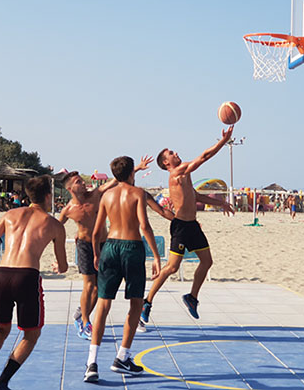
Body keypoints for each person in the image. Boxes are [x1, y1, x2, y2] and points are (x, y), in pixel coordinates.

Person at [0, 175, 68, 390]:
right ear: (48, 196)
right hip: (27, 276)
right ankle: (2, 382)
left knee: (0, 328)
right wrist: (59, 267)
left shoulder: (11, 214)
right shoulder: (54, 224)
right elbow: (63, 265)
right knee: (31, 334)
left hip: (3, 274)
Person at [59, 156, 166, 340]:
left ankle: (82, 315)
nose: (83, 183)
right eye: (78, 182)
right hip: (85, 246)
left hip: (105, 244)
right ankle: (85, 321)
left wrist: (137, 168)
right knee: (90, 286)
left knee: (100, 290)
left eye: (82, 181)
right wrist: (57, 255)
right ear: (70, 189)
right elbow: (55, 229)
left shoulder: (96, 194)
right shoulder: (68, 209)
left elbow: (117, 179)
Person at [139, 127, 235, 325]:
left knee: (207, 262)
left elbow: (196, 196)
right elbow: (204, 157)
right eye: (171, 153)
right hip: (181, 226)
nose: (176, 153)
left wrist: (221, 203)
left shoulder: (185, 175)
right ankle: (147, 302)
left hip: (193, 226)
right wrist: (223, 141)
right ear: (167, 163)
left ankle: (192, 297)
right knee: (172, 268)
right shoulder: (177, 172)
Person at [83, 156, 161, 383]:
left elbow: (97, 231)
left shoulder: (107, 196)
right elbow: (144, 226)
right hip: (132, 248)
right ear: (131, 173)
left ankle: (91, 363)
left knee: (104, 305)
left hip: (110, 247)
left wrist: (98, 254)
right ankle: (122, 356)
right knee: (136, 303)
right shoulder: (138, 194)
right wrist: (156, 256)